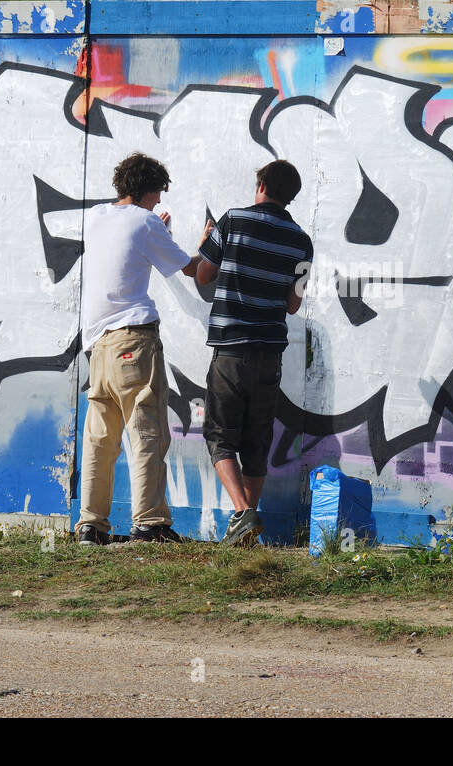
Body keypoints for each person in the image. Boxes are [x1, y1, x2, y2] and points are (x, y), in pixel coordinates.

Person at [76, 153, 212, 546]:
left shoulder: (97, 217)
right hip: (134, 340)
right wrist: (200, 246)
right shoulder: (147, 221)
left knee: (100, 439)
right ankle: (150, 524)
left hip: (98, 345)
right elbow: (190, 269)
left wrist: (156, 232)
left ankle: (91, 525)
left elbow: (126, 248)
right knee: (146, 431)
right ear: (149, 189)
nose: (158, 202)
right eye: (157, 194)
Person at [195, 159, 314, 547]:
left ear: (260, 184)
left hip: (230, 351)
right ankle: (245, 535)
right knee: (257, 443)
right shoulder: (301, 241)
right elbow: (293, 306)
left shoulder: (232, 221)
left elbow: (203, 276)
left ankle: (244, 513)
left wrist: (203, 246)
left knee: (220, 437)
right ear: (291, 197)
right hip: (269, 354)